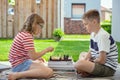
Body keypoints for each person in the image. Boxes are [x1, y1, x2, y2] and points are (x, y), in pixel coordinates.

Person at [8, 13, 54, 80]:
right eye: (41, 26)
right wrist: (46, 50)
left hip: (19, 62)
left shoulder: (23, 33)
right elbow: (34, 57)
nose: (41, 29)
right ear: (35, 24)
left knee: (41, 62)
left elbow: (28, 54)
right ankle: (17, 75)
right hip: (19, 65)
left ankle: (22, 72)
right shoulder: (27, 36)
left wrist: (36, 59)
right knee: (49, 72)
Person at [74, 9, 118, 77]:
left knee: (78, 64)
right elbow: (91, 51)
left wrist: (89, 62)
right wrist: (86, 59)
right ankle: (86, 71)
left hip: (107, 68)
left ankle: (85, 71)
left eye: (86, 24)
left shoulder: (102, 36)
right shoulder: (93, 34)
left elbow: (102, 60)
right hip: (98, 62)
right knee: (82, 54)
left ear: (94, 22)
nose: (84, 27)